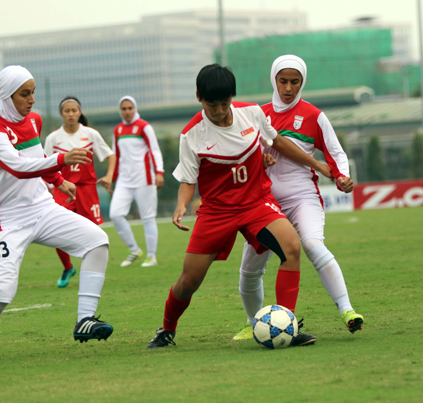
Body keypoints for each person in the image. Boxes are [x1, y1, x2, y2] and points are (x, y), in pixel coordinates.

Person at [147, 64, 332, 349]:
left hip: (256, 203)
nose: (220, 111)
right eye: (212, 104)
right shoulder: (191, 134)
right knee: (189, 281)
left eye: (225, 103)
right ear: (199, 97)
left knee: (292, 249)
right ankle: (166, 329)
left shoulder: (252, 113)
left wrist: (317, 164)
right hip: (216, 212)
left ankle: (287, 326)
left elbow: (278, 142)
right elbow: (187, 180)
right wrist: (180, 206)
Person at [0, 66, 114, 364]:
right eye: (24, 94)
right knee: (2, 291)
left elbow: (35, 159)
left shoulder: (34, 120)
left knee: (97, 241)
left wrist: (58, 180)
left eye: (32, 93)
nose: (31, 100)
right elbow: (17, 165)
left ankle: (85, 320)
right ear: (7, 96)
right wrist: (62, 160)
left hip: (43, 208)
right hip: (7, 220)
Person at [232, 55, 364, 341]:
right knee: (250, 269)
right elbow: (243, 152)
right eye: (283, 81)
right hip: (265, 202)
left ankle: (347, 310)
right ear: (274, 80)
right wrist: (259, 159)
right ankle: (251, 322)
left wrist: (342, 175)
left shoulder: (315, 115)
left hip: (303, 196)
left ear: (302, 82)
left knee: (313, 245)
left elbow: (335, 152)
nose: (288, 87)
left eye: (295, 81)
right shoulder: (257, 114)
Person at [44, 96, 116, 288]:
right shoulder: (53, 138)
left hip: (86, 189)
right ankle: (68, 267)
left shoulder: (90, 134)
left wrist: (109, 176)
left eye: (74, 110)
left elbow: (110, 155)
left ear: (80, 112)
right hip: (63, 188)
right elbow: (43, 165)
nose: (71, 114)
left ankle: (92, 273)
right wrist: (48, 187)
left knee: (94, 233)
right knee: (55, 229)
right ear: (61, 113)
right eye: (67, 111)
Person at [110, 96, 164, 267]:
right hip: (124, 181)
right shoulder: (117, 130)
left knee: (147, 218)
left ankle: (152, 256)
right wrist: (111, 178)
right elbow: (115, 156)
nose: (127, 112)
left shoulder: (144, 127)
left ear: (135, 108)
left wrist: (159, 173)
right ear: (120, 110)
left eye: (130, 108)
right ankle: (134, 249)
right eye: (124, 108)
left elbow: (154, 151)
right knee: (115, 214)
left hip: (144, 179)